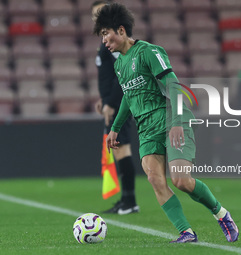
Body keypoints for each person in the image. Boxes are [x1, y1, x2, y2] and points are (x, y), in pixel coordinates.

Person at [94, 3, 239, 243]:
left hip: (170, 119)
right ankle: (186, 232)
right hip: (147, 129)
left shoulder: (150, 52)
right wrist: (115, 128)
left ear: (120, 30)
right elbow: (129, 98)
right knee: (154, 178)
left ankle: (221, 214)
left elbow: (173, 85)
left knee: (181, 180)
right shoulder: (119, 64)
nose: (104, 41)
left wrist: (178, 122)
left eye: (105, 34)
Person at [91, 0, 139, 215]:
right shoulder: (104, 44)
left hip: (121, 104)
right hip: (112, 101)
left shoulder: (115, 44)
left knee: (122, 150)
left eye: (101, 13)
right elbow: (108, 76)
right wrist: (103, 98)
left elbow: (122, 76)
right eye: (95, 14)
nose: (97, 17)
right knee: (119, 150)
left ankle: (130, 200)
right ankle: (126, 200)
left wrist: (111, 102)